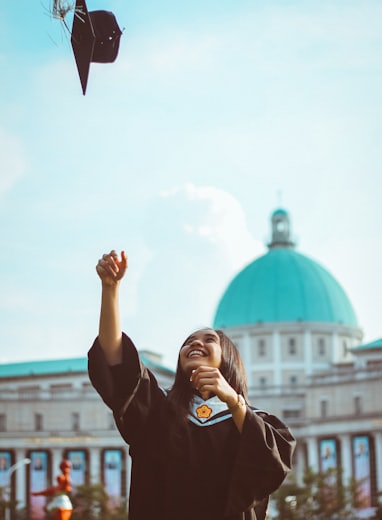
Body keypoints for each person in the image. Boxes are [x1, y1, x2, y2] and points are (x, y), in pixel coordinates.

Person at [88, 250, 296, 520]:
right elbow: (117, 361)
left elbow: (270, 466)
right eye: (188, 341)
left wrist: (233, 401)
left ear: (228, 359)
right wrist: (110, 290)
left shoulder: (253, 422)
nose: (195, 343)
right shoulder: (157, 409)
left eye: (209, 339)